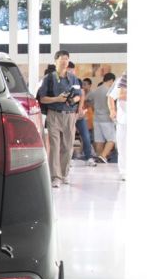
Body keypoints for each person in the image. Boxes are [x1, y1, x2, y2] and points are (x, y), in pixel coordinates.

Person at [37, 50, 80, 188]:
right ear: (56, 61)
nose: (64, 61)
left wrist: (72, 100)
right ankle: (55, 177)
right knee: (55, 146)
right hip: (54, 114)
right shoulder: (49, 78)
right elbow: (42, 99)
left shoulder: (73, 78)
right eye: (62, 59)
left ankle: (64, 174)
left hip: (69, 114)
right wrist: (57, 99)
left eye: (67, 59)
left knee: (68, 146)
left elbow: (78, 95)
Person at [88, 72, 117, 163]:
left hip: (96, 118)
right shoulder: (110, 91)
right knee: (112, 139)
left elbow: (87, 100)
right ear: (111, 80)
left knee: (99, 140)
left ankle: (99, 157)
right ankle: (103, 156)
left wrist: (93, 106)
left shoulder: (96, 90)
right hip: (107, 119)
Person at [109, 73, 128, 181]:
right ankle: (124, 172)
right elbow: (112, 96)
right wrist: (112, 110)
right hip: (124, 119)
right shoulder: (123, 79)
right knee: (123, 147)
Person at [76, 78, 97, 166]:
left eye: (85, 84)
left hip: (82, 116)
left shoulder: (88, 93)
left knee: (86, 136)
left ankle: (89, 157)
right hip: (72, 115)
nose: (84, 87)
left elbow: (88, 104)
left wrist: (80, 109)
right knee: (84, 136)